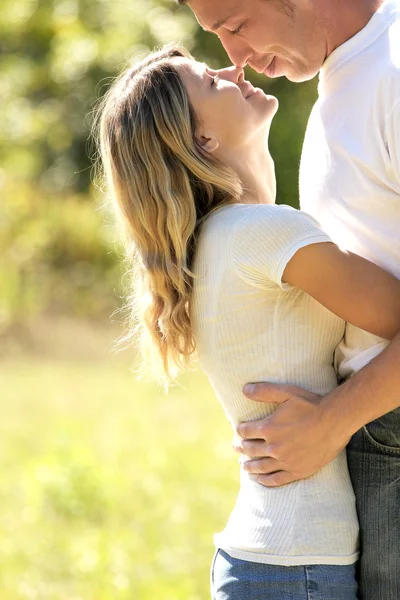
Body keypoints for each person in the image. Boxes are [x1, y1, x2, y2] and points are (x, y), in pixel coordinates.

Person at [94, 44, 400, 599]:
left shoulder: (221, 239)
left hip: (275, 558)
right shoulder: (261, 233)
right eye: (211, 82)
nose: (233, 69)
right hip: (298, 567)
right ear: (202, 140)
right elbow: (394, 313)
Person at [177, 0, 400, 597]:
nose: (237, 59)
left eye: (236, 26)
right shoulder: (345, 77)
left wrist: (335, 418)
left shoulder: (392, 73)